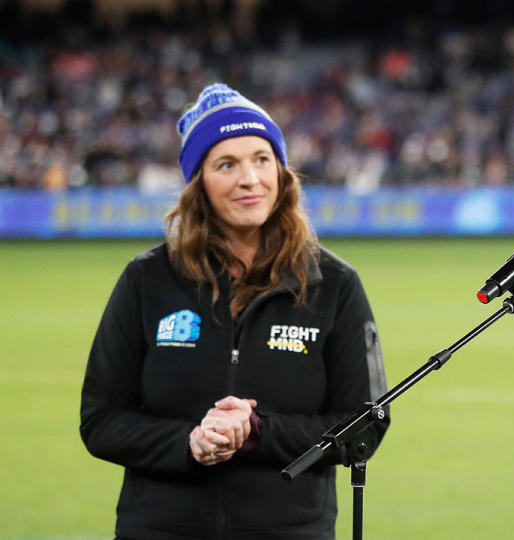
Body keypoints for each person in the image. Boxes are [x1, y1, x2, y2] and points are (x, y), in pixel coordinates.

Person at [80, 83, 389, 540]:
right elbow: (101, 421)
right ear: (198, 182)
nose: (250, 179)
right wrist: (189, 443)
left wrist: (258, 434)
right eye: (227, 164)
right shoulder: (147, 280)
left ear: (282, 174)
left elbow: (366, 423)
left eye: (262, 159)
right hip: (163, 529)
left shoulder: (334, 284)